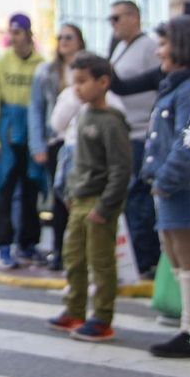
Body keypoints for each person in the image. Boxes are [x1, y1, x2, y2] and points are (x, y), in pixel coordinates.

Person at [140, 16, 190, 359]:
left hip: (182, 188)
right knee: (174, 251)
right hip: (168, 187)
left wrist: (166, 180)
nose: (159, 51)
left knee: (188, 255)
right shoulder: (176, 85)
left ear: (183, 46)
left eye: (164, 43)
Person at [47, 53, 132, 343]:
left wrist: (106, 206)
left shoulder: (111, 121)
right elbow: (78, 162)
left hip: (99, 202)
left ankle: (102, 317)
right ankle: (75, 309)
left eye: (83, 82)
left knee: (101, 262)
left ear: (103, 82)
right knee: (74, 257)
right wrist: (70, 193)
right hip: (78, 200)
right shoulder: (82, 115)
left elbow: (121, 169)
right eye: (74, 82)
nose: (77, 89)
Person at [0, 14, 47, 269]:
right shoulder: (1, 62)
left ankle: (28, 244)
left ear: (29, 34)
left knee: (31, 192)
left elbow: (44, 103)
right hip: (7, 134)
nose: (14, 37)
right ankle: (4, 246)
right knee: (4, 192)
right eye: (12, 32)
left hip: (33, 134)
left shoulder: (42, 64)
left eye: (18, 32)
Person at [106, 0, 161, 278]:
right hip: (124, 133)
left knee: (139, 198)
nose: (112, 24)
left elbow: (154, 86)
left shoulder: (149, 47)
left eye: (116, 18)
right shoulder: (120, 47)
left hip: (141, 132)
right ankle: (135, 258)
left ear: (133, 17)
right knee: (129, 198)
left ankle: (144, 257)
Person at [32, 24, 84, 267]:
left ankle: (78, 253)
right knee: (60, 196)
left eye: (69, 37)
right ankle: (59, 251)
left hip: (85, 140)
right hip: (57, 141)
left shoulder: (89, 67)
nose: (64, 41)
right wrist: (38, 145)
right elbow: (37, 109)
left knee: (82, 198)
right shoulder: (46, 71)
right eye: (60, 37)